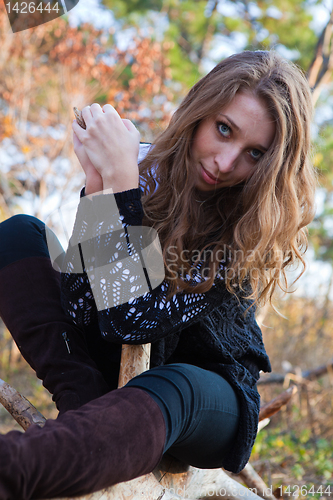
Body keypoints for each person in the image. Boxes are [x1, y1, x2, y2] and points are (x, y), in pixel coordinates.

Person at [0, 50, 316, 499]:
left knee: (174, 383)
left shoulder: (250, 223)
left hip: (203, 397)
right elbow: (87, 309)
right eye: (223, 130)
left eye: (254, 153)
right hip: (116, 385)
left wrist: (121, 186)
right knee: (18, 234)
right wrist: (97, 185)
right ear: (199, 112)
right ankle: (88, 415)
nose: (225, 163)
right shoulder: (146, 171)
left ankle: (17, 469)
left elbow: (136, 319)